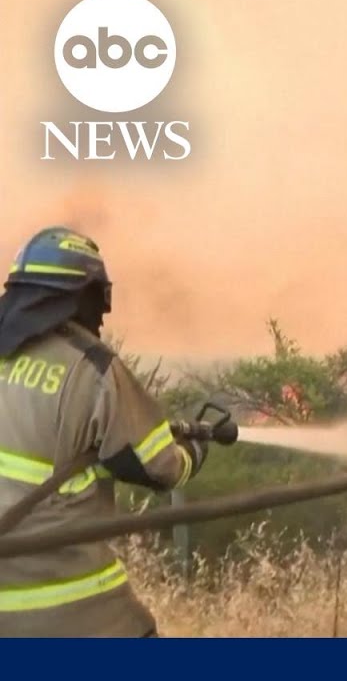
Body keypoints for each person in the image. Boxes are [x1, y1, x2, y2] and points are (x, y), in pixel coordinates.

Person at [0, 226, 213, 637]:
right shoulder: (92, 368)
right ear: (83, 296)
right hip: (65, 603)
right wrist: (195, 451)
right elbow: (158, 468)